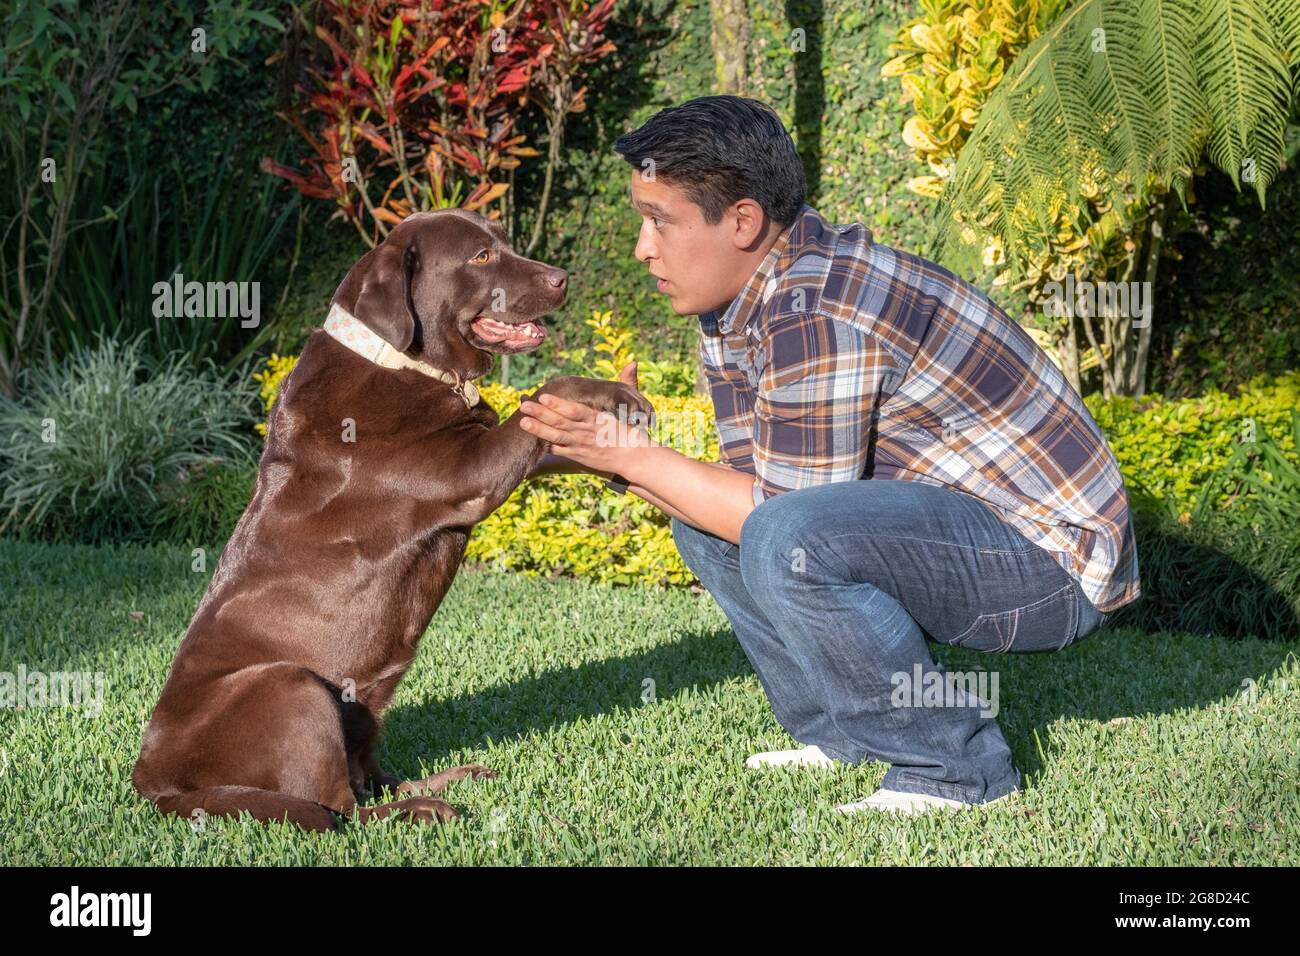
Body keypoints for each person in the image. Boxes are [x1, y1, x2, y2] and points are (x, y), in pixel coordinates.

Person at [518, 95, 1140, 816]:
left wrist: (631, 457)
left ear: (742, 222)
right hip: (967, 535)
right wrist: (617, 458)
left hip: (1049, 568)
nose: (642, 248)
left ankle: (953, 771)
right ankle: (846, 735)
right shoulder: (742, 302)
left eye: (660, 221)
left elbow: (783, 517)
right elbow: (747, 490)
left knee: (790, 536)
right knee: (708, 526)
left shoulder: (818, 310)